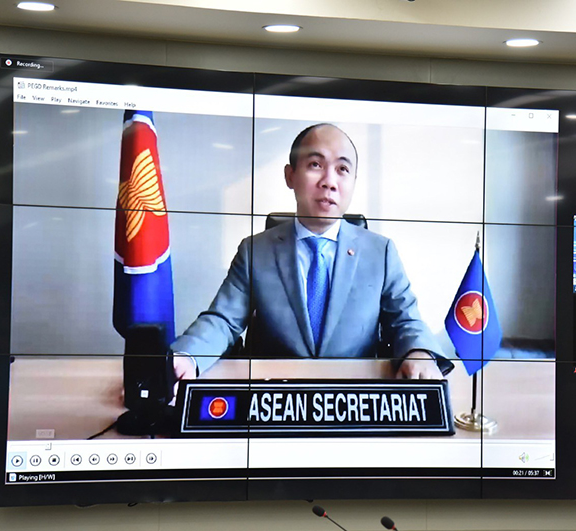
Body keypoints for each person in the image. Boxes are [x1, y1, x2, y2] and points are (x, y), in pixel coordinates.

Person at [170, 123, 445, 381]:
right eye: (315, 165)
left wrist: (418, 353)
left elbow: (406, 320)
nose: (329, 182)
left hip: (353, 398)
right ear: (291, 176)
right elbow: (223, 320)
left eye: (342, 170)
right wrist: (187, 357)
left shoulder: (380, 252)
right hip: (276, 398)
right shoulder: (256, 251)